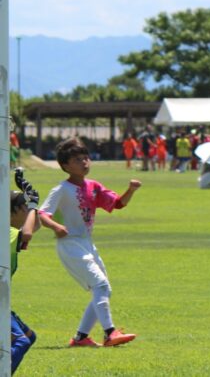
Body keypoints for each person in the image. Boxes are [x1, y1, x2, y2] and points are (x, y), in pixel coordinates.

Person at [38, 137, 141, 348]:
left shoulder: (93, 186)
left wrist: (130, 190)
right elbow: (42, 214)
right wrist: (56, 227)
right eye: (78, 159)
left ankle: (80, 338)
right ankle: (110, 333)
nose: (84, 162)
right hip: (70, 244)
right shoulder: (61, 189)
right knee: (100, 285)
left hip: (87, 243)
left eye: (86, 158)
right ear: (65, 165)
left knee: (104, 289)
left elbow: (117, 204)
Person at [10, 169, 41, 373]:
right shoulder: (8, 232)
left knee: (29, 337)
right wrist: (33, 205)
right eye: (24, 208)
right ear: (12, 212)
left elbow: (35, 226)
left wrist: (32, 202)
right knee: (20, 341)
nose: (27, 212)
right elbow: (28, 233)